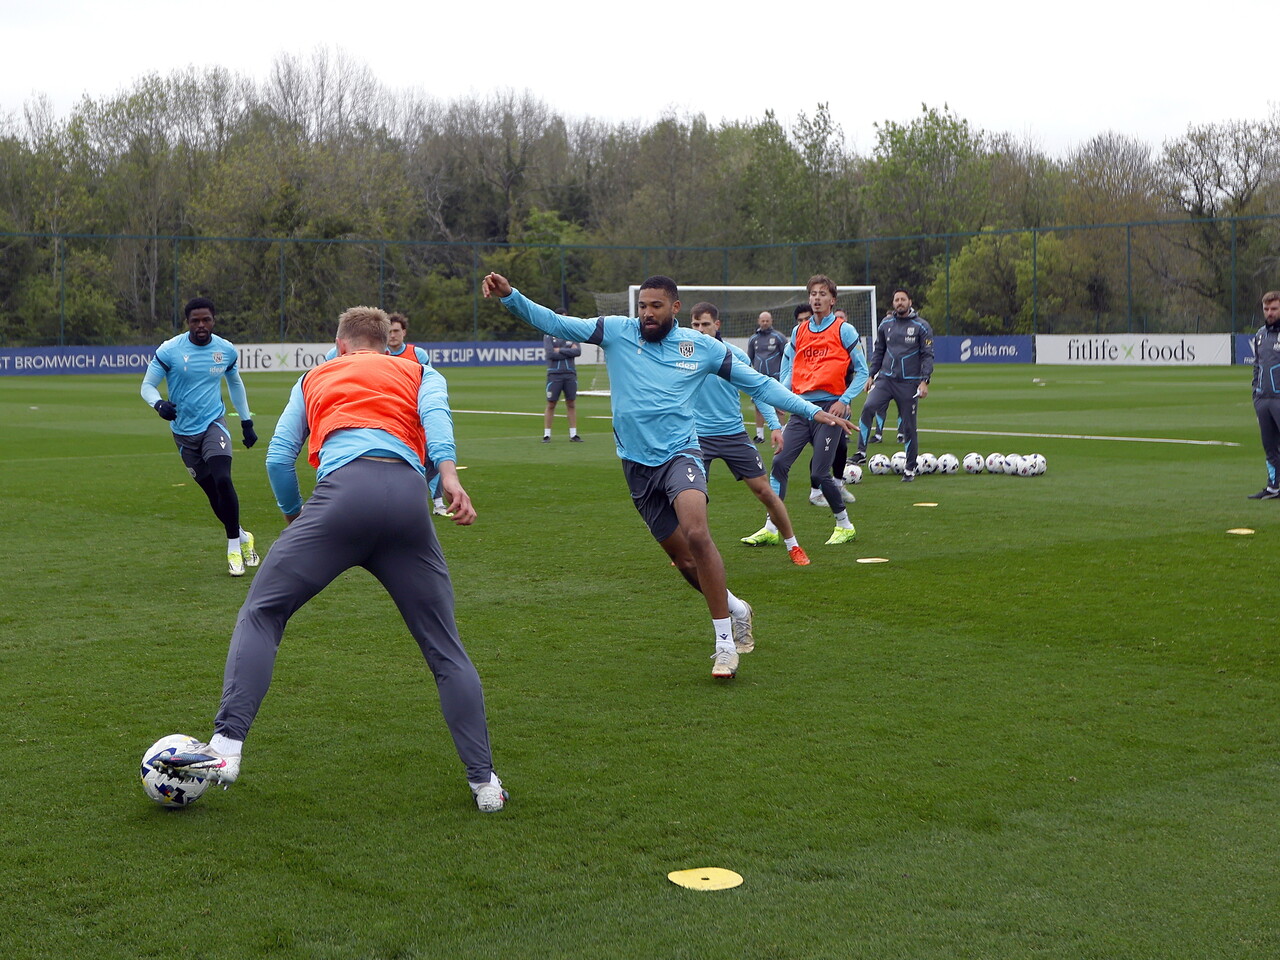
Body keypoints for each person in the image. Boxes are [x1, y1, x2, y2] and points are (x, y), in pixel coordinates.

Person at [152, 306, 507, 813]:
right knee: (445, 649)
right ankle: (485, 785)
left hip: (340, 500)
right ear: (386, 344)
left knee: (263, 613)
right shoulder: (420, 370)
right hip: (408, 504)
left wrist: (297, 516)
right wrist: (448, 478)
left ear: (340, 345)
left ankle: (227, 748)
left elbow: (279, 457)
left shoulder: (315, 375)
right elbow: (436, 423)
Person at [482, 272, 851, 680]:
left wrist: (810, 411)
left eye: (656, 306)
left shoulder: (704, 349)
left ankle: (725, 645)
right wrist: (510, 297)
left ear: (675, 308)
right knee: (682, 559)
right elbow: (555, 322)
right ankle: (734, 605)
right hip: (636, 466)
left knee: (696, 531)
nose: (647, 314)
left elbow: (760, 384)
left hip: (681, 453)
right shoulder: (616, 332)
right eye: (642, 306)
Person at [140, 296, 259, 577]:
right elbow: (147, 386)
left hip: (213, 424)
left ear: (214, 320)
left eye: (206, 319)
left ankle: (232, 548)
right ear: (188, 323)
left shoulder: (226, 350)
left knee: (223, 478)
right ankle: (243, 536)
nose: (201, 325)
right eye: (196, 321)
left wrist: (246, 421)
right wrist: (159, 404)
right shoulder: (169, 350)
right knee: (212, 494)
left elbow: (235, 383)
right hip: (183, 434)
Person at [687, 303, 809, 566]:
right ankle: (689, 551)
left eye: (705, 324)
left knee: (765, 492)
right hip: (697, 438)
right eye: (695, 325)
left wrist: (775, 426)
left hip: (733, 436)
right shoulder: (684, 357)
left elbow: (758, 390)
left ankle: (793, 544)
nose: (699, 330)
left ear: (716, 325)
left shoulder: (734, 356)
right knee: (691, 498)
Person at [752, 275, 867, 547]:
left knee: (818, 473)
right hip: (801, 409)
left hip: (830, 410)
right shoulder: (798, 331)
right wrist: (781, 395)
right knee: (779, 463)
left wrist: (845, 398)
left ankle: (844, 525)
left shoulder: (844, 330)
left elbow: (863, 371)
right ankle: (771, 527)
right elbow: (788, 366)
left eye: (822, 294)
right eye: (813, 294)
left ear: (832, 299)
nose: (816, 298)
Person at [324, 313, 452, 517]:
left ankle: (436, 503)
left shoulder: (417, 355)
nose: (393, 335)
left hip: (409, 418)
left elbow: (427, 388)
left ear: (404, 333)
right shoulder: (338, 357)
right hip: (373, 418)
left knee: (427, 456)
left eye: (396, 331)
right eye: (389, 331)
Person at [852, 288, 935, 482]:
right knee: (868, 407)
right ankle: (861, 453)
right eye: (896, 299)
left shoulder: (922, 326)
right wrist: (871, 375)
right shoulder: (886, 323)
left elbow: (927, 355)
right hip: (885, 380)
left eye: (903, 299)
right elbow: (879, 350)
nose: (899, 302)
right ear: (893, 303)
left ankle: (910, 467)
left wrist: (924, 381)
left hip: (909, 383)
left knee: (908, 425)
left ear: (909, 302)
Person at [1248, 290, 1280, 499]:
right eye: (1266, 309)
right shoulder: (1260, 335)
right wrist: (1256, 394)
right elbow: (1257, 367)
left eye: (1274, 308)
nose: (1269, 313)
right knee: (1269, 445)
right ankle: (1273, 486)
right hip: (1263, 399)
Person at [746, 310, 788, 443]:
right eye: (762, 320)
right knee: (759, 406)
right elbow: (750, 357)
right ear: (759, 321)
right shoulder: (753, 339)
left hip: (776, 378)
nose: (764, 323)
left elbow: (786, 356)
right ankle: (760, 435)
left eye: (767, 320)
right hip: (759, 378)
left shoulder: (779, 337)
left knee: (779, 406)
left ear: (771, 321)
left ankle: (782, 432)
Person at [543, 325, 583, 442]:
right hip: (554, 374)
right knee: (551, 403)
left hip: (570, 373)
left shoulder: (572, 333)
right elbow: (550, 354)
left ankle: (573, 434)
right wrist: (569, 350)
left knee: (571, 403)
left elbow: (578, 351)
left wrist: (560, 350)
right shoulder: (548, 335)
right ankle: (547, 435)